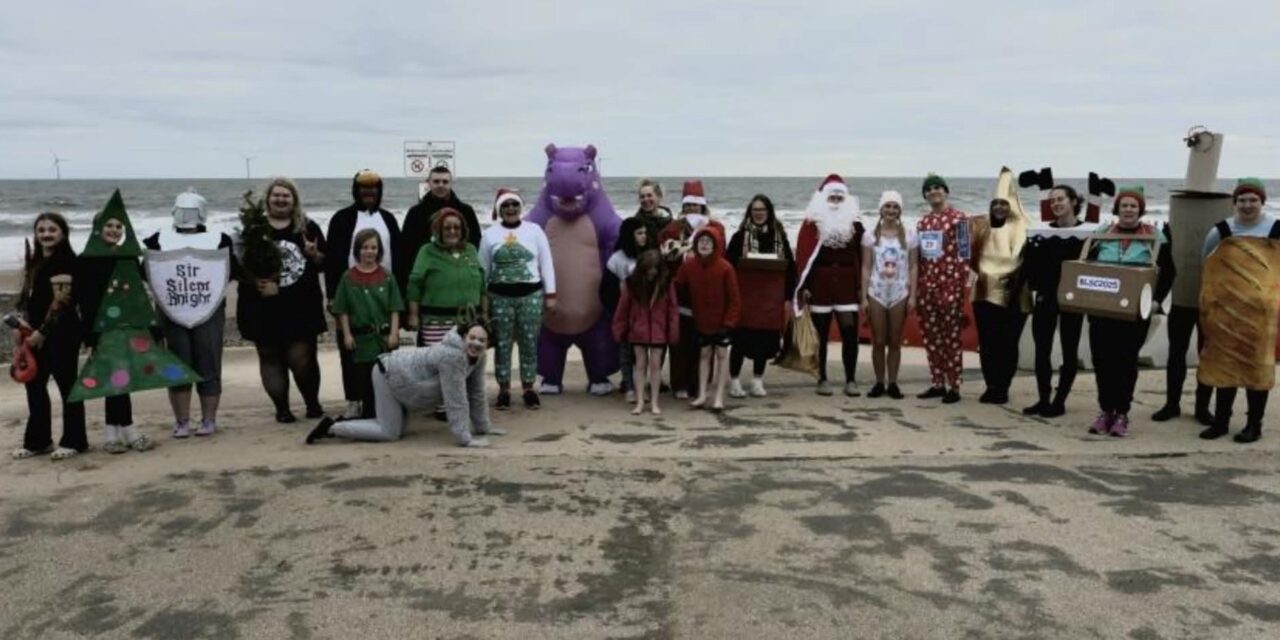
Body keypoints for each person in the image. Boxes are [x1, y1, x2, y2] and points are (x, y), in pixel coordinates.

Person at [306, 321, 503, 447]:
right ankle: (332, 427)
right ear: (464, 336)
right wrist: (465, 439)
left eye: (482, 340)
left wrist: (484, 427)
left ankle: (346, 423)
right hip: (387, 373)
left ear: (488, 344)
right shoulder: (453, 356)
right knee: (389, 433)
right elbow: (456, 399)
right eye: (472, 338)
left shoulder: (478, 357)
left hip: (405, 380)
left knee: (395, 429)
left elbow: (476, 392)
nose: (476, 343)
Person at [143, 189, 237, 438]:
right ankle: (182, 421)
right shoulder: (156, 240)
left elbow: (231, 270)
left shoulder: (220, 240)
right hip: (171, 309)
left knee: (209, 363)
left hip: (208, 308)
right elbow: (147, 273)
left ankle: (208, 419)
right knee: (176, 366)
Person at [236, 177, 327, 423]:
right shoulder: (254, 228)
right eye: (276, 195)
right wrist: (256, 282)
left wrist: (313, 254)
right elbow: (237, 266)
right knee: (270, 357)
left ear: (294, 200)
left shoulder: (307, 227)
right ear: (268, 199)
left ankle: (312, 404)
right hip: (261, 305)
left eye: (286, 195)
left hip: (301, 305)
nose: (280, 199)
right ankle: (282, 409)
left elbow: (323, 263)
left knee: (303, 358)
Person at [1084, 186, 1172, 437]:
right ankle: (1105, 411)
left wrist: (1156, 301)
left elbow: (1168, 272)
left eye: (1134, 206)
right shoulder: (1102, 233)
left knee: (1124, 361)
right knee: (1101, 360)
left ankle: (1122, 412)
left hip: (1135, 312)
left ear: (1140, 210)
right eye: (1124, 205)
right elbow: (1084, 264)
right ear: (1117, 208)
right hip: (1102, 309)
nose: (1129, 210)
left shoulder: (1155, 236)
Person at [1197, 178, 1280, 443]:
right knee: (1225, 367)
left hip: (1262, 315)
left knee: (1258, 369)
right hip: (1226, 314)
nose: (1247, 205)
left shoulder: (1277, 229)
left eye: (1253, 200)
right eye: (1242, 200)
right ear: (1234, 203)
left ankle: (1253, 425)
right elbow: (1207, 262)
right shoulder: (1221, 230)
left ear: (1262, 202)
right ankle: (1221, 422)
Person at [325, 170, 406, 418]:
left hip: (384, 294)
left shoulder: (389, 219)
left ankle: (384, 400)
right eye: (363, 189)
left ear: (379, 192)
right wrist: (331, 297)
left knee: (385, 352)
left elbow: (400, 257)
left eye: (373, 189)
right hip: (351, 295)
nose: (368, 193)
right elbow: (331, 260)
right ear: (356, 191)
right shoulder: (341, 219)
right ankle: (353, 399)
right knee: (350, 352)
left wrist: (400, 296)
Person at [76, 199, 153, 452]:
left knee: (120, 378)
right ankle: (127, 432)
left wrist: (151, 328)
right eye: (108, 225)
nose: (114, 230)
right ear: (96, 228)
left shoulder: (128, 257)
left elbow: (139, 294)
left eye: (118, 226)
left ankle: (112, 434)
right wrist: (90, 336)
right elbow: (84, 302)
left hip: (127, 326)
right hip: (102, 329)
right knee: (117, 379)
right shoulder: (85, 260)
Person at [11, 213, 85, 460]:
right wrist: (20, 324)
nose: (46, 234)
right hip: (31, 334)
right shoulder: (35, 261)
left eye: (52, 229)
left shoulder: (66, 262)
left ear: (63, 233)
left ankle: (75, 441)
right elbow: (28, 297)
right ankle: (38, 442)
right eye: (41, 230)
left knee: (68, 388)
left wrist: (42, 333)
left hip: (62, 334)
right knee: (34, 387)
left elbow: (62, 302)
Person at [478, 189, 556, 410]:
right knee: (502, 344)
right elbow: (482, 269)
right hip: (499, 297)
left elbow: (546, 263)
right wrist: (481, 302)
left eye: (514, 204)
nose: (510, 209)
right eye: (505, 205)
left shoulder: (535, 231)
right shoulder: (489, 234)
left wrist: (551, 294)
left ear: (521, 207)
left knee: (529, 343)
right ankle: (503, 390)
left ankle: (529, 388)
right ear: (499, 209)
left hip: (531, 295)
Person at [1022, 184, 1088, 417]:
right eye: (1052, 201)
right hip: (1046, 298)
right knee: (1042, 351)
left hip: (1073, 300)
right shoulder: (1042, 233)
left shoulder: (1088, 233)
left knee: (1069, 351)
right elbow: (1029, 265)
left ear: (1073, 202)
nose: (1057, 204)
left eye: (1061, 199)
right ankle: (1043, 399)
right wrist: (1032, 289)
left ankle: (1059, 401)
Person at [796, 174, 866, 396]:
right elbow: (804, 256)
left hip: (847, 282)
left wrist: (862, 287)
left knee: (849, 332)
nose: (835, 201)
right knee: (822, 333)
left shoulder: (856, 224)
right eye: (832, 197)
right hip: (820, 283)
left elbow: (864, 256)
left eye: (839, 197)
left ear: (846, 199)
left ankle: (851, 380)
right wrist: (804, 285)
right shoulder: (812, 222)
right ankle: (822, 378)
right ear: (823, 198)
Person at [725, 194, 796, 398]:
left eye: (762, 210)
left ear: (769, 212)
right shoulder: (739, 237)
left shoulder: (779, 236)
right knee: (740, 341)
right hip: (745, 298)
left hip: (769, 300)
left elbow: (790, 268)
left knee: (764, 342)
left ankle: (757, 381)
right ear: (750, 212)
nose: (758, 213)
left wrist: (788, 296)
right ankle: (735, 382)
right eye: (755, 210)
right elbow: (728, 266)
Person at [659, 180, 724, 399]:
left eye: (695, 206)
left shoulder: (715, 228)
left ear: (702, 206)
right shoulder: (672, 228)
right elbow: (664, 257)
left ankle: (701, 384)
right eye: (688, 206)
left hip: (708, 296)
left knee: (705, 343)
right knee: (680, 343)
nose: (692, 209)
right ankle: (680, 384)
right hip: (682, 295)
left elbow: (720, 256)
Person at [332, 229, 403, 419]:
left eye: (373, 247)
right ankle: (365, 412)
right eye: (365, 247)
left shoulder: (387, 277)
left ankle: (384, 413)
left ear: (379, 250)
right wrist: (346, 334)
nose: (369, 251)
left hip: (382, 338)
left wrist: (394, 333)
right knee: (362, 378)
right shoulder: (348, 278)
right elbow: (343, 310)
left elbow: (394, 308)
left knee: (383, 376)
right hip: (360, 339)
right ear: (357, 250)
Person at [969, 194, 1030, 405]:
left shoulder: (1025, 229)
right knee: (987, 342)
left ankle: (1003, 386)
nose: (998, 207)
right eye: (994, 203)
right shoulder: (979, 228)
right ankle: (991, 385)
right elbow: (969, 258)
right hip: (985, 292)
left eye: (1004, 203)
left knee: (1008, 342)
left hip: (1016, 294)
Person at [915, 174, 970, 403]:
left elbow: (965, 253)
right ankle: (937, 382)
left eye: (937, 187)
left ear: (946, 191)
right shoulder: (923, 223)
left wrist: (957, 286)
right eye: (929, 189)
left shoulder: (960, 218)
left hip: (950, 285)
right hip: (926, 286)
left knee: (951, 337)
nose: (933, 191)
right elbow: (920, 257)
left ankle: (954, 386)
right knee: (931, 337)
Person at [675, 226, 740, 411]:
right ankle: (702, 394)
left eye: (708, 242)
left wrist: (729, 323)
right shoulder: (689, 265)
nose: (704, 244)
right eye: (701, 241)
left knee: (721, 356)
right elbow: (677, 285)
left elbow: (735, 299)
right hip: (701, 321)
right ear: (695, 244)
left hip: (723, 322)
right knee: (704, 355)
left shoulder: (725, 267)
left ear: (716, 245)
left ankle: (718, 396)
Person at [860, 191, 917, 399]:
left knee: (895, 341)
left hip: (899, 293)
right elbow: (866, 267)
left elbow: (913, 266)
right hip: (876, 292)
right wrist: (863, 296)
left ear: (900, 210)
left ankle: (892, 383)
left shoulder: (910, 235)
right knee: (878, 340)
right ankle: (878, 382)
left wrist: (912, 296)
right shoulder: (869, 236)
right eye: (887, 206)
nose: (891, 210)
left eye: (895, 207)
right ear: (881, 209)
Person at [612, 250, 680, 415]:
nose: (652, 272)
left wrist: (673, 332)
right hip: (638, 331)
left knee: (656, 367)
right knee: (640, 366)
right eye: (649, 269)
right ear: (642, 268)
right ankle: (640, 401)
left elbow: (673, 310)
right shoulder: (631, 284)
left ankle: (655, 402)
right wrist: (619, 330)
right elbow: (623, 309)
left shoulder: (666, 283)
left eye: (655, 268)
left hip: (658, 331)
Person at [406, 208, 485, 347]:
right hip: (436, 323)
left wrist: (485, 313)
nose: (452, 231)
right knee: (437, 365)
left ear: (463, 230)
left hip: (470, 321)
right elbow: (414, 283)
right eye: (447, 228)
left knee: (467, 363)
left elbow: (482, 285)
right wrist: (413, 315)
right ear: (439, 230)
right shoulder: (427, 251)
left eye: (457, 227)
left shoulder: (471, 249)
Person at [608, 217, 657, 403]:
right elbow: (606, 289)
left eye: (645, 233)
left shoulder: (651, 256)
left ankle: (643, 387)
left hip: (647, 313)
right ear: (630, 235)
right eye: (639, 233)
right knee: (626, 352)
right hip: (626, 313)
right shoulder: (617, 259)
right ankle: (628, 387)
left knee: (644, 353)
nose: (643, 237)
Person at [402, 166, 481, 260]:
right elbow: (406, 247)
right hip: (425, 268)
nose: (440, 185)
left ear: (451, 183)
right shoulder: (415, 212)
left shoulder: (466, 211)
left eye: (445, 182)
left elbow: (475, 242)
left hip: (457, 266)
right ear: (429, 183)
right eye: (436, 181)